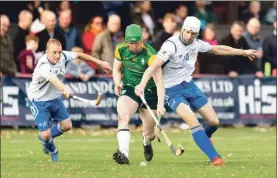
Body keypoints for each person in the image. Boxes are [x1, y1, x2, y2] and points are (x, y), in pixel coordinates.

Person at [134, 16, 257, 166]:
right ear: (183, 29)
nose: (189, 36)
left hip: (190, 86)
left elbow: (218, 49)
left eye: (194, 33)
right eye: (187, 32)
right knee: (192, 120)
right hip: (172, 90)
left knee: (214, 122)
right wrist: (142, 84)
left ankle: (203, 137)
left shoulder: (196, 43)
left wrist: (243, 52)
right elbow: (154, 66)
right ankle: (215, 157)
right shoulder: (171, 45)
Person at [27, 38, 111, 162]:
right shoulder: (44, 65)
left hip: (55, 98)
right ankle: (53, 150)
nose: (57, 55)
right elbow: (54, 80)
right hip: (39, 101)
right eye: (54, 52)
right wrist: (64, 88)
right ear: (46, 52)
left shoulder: (63, 56)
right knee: (45, 133)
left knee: (67, 126)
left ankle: (46, 139)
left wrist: (99, 62)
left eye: (59, 52)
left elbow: (80, 55)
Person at [112, 24, 165, 164]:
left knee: (149, 134)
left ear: (143, 39)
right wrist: (118, 83)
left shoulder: (151, 54)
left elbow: (159, 81)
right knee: (123, 116)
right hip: (130, 87)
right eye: (131, 43)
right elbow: (116, 70)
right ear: (126, 41)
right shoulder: (121, 49)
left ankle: (146, 142)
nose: (135, 46)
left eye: (138, 42)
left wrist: (160, 104)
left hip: (149, 91)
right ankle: (124, 154)